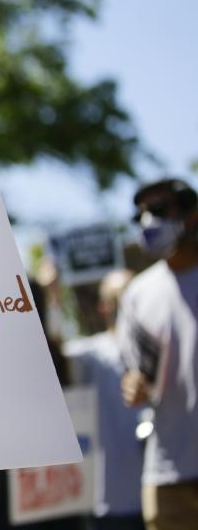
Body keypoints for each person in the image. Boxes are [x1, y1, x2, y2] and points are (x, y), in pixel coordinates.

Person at [118, 178, 198, 530]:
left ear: (191, 215)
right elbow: (135, 376)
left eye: (159, 210)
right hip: (168, 471)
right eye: (142, 216)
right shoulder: (138, 293)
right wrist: (133, 385)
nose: (149, 222)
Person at [65, 269, 145, 530]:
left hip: (163, 493)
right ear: (104, 307)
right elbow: (49, 354)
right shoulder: (90, 354)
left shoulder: (162, 345)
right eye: (120, 297)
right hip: (111, 503)